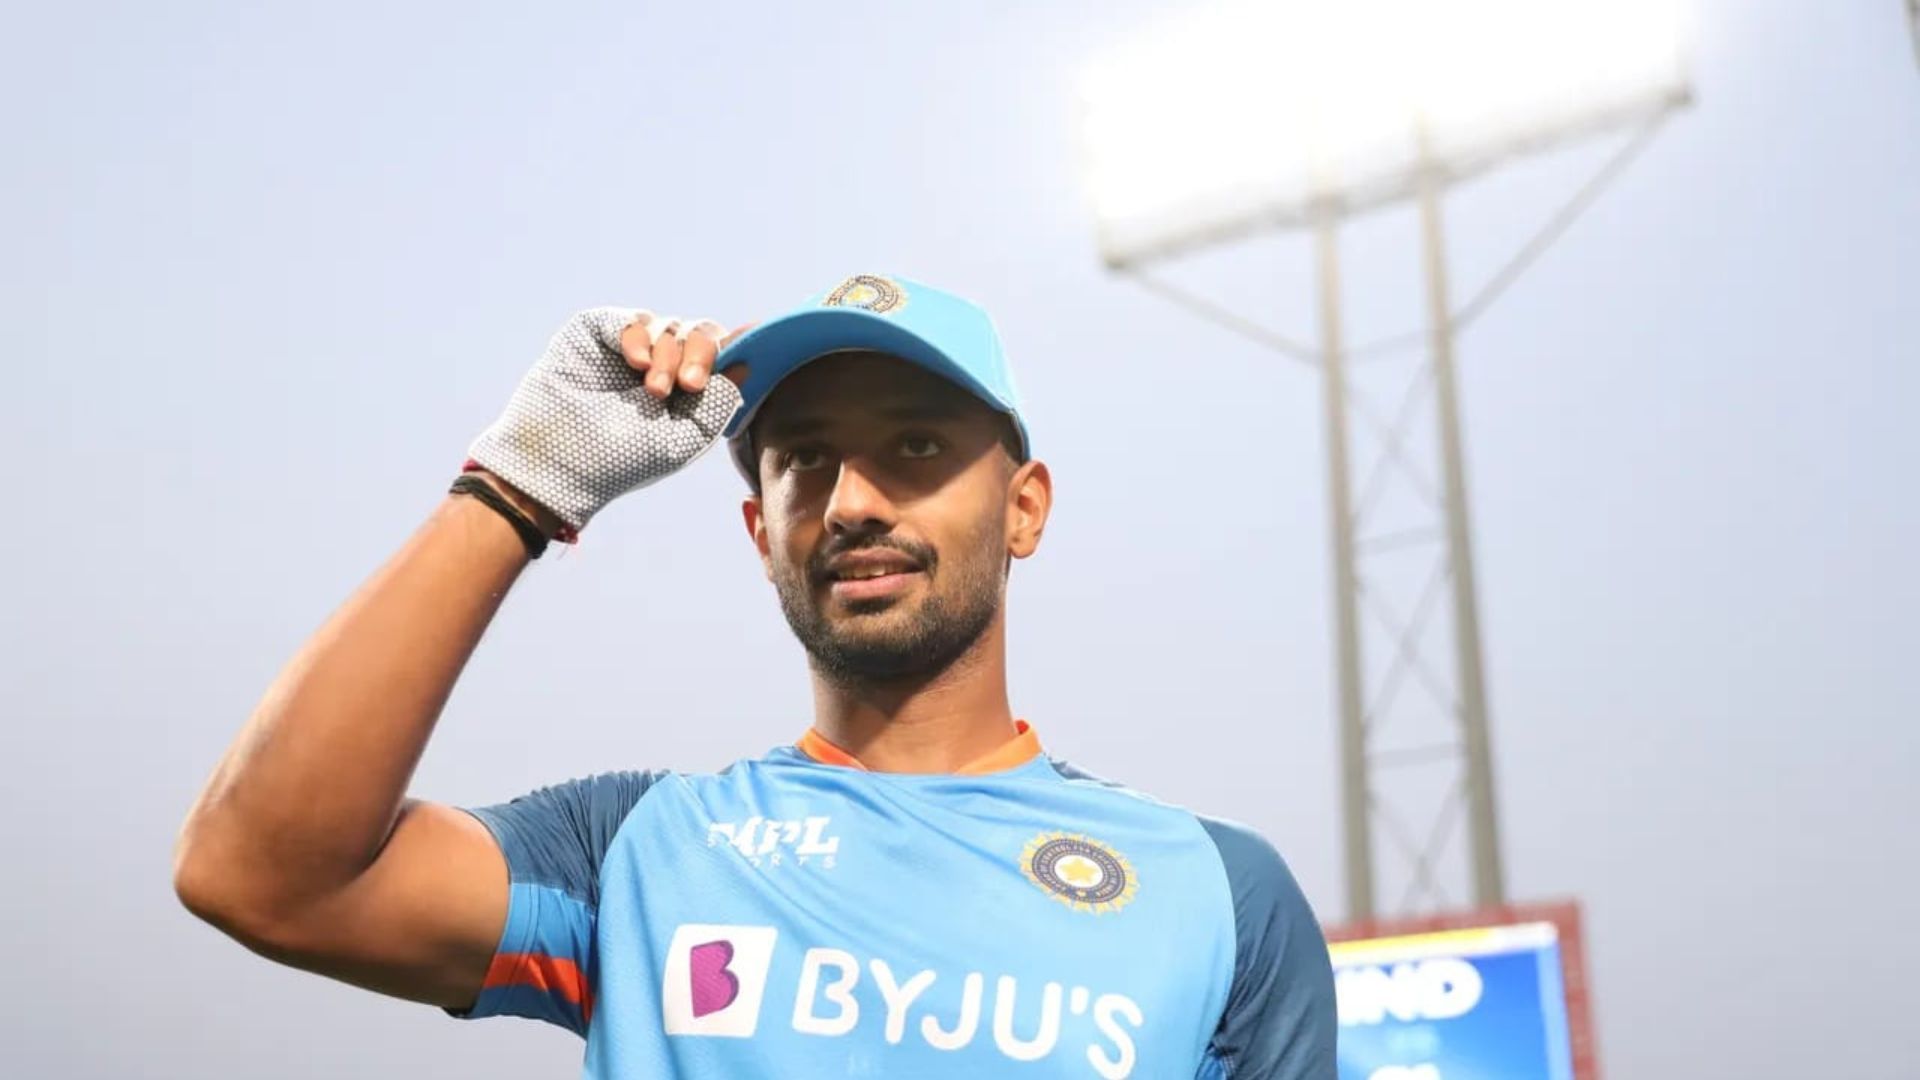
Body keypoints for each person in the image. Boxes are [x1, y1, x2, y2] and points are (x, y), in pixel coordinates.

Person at [173, 273, 1337, 1078]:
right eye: (806, 461)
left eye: (917, 448)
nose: (854, 503)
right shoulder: (638, 851)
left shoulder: (1218, 895)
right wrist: (519, 486)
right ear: (758, 530)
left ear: (1023, 509)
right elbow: (260, 872)